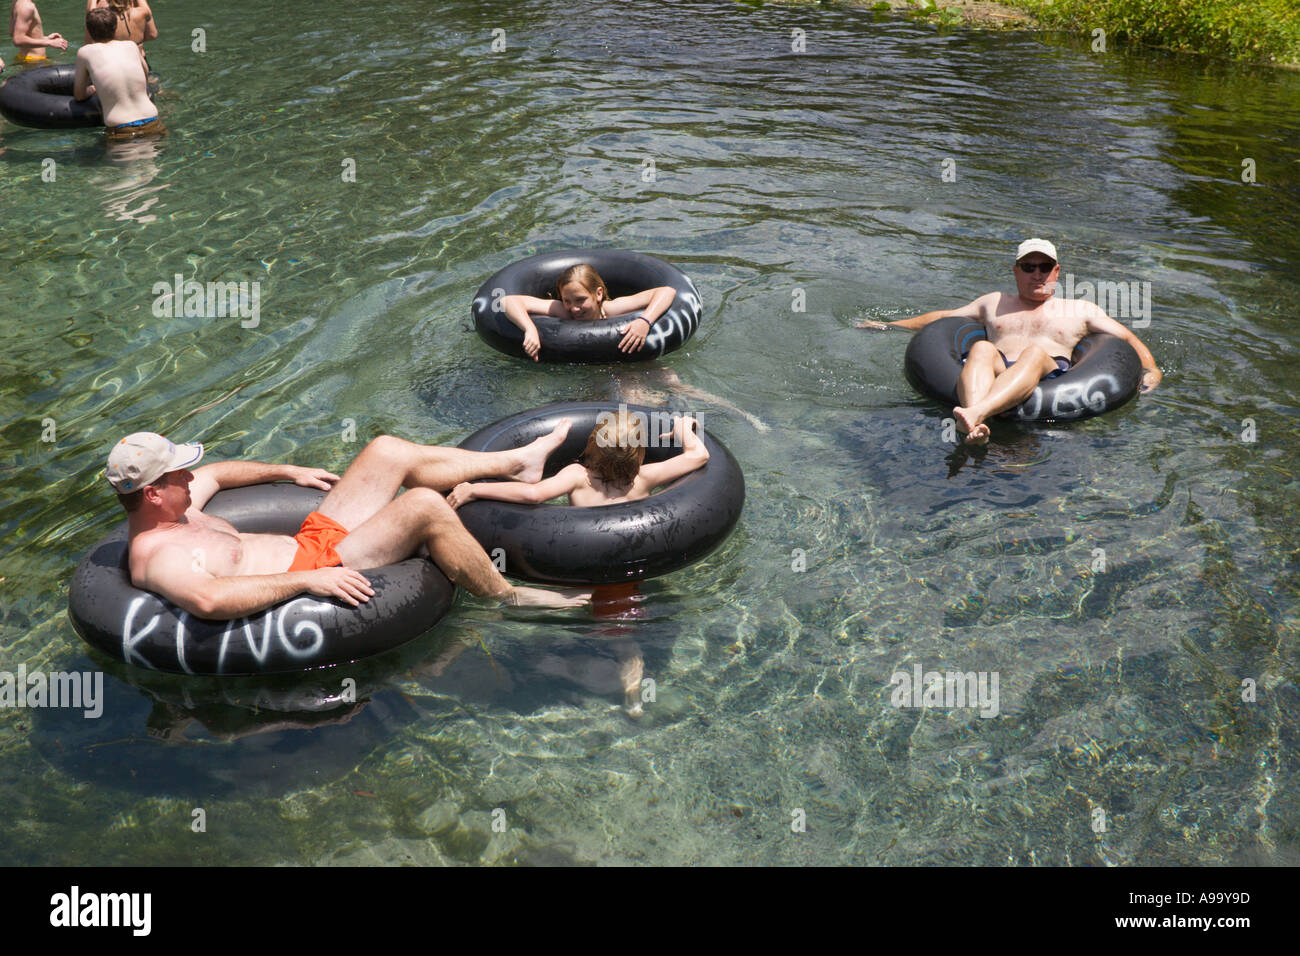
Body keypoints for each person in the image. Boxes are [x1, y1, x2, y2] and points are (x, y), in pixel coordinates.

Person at [104, 429, 592, 620]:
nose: (189, 476)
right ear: (151, 493)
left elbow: (216, 473)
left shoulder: (181, 508)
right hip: (317, 568)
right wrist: (308, 578)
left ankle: (515, 464)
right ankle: (508, 596)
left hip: (308, 543)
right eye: (177, 474)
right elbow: (209, 601)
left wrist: (285, 471)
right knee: (423, 504)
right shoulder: (161, 556)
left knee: (386, 450)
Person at [857, 238, 1162, 443]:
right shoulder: (994, 302)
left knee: (1033, 352)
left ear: (1056, 271)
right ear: (1016, 271)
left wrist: (1151, 369)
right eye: (1029, 267)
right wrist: (888, 325)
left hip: (1047, 372)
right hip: (997, 366)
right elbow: (943, 318)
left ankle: (974, 414)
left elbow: (1125, 338)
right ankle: (975, 426)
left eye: (1045, 267)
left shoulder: (1080, 310)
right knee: (980, 347)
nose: (1037, 274)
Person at [447, 412, 708, 510]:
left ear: (590, 446)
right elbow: (699, 455)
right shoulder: (646, 477)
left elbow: (533, 494)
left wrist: (473, 489)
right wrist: (683, 427)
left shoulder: (577, 477)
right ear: (640, 453)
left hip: (579, 550)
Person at [501, 264, 676, 361]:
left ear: (598, 294)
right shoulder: (562, 311)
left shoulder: (611, 309)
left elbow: (667, 291)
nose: (574, 308)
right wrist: (529, 328)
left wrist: (645, 321)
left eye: (580, 300)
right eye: (567, 300)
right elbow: (507, 301)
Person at [74, 8, 161, 139]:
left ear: (89, 30)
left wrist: (93, 88)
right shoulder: (131, 46)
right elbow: (145, 75)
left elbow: (79, 95)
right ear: (115, 28)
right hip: (153, 121)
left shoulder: (84, 52)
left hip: (122, 129)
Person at [85, 0, 155, 72]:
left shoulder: (102, 15)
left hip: (111, 65)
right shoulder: (142, 10)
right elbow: (152, 35)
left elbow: (89, 42)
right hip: (139, 63)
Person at [9, 0, 67, 64]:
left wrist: (46, 38)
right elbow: (18, 40)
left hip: (25, 59)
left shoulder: (17, 2)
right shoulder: (27, 6)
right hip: (34, 62)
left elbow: (12, 32)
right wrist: (49, 42)